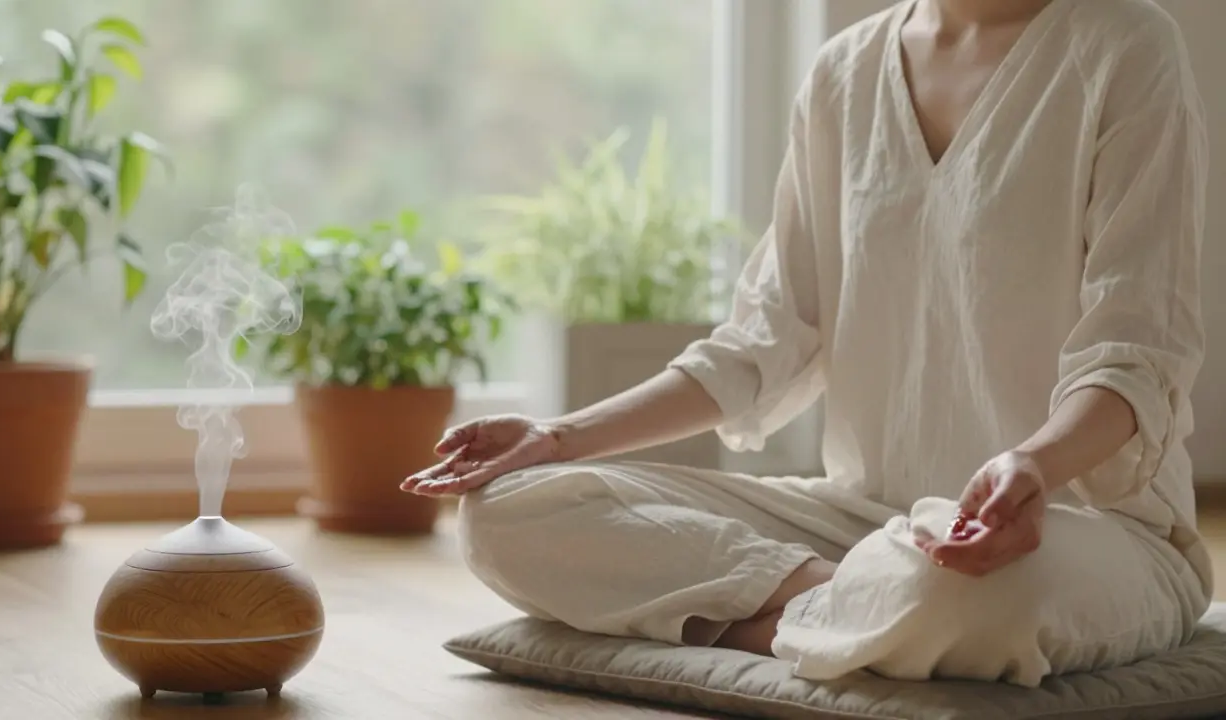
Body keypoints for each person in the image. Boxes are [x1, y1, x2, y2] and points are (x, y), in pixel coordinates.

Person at [402, 0, 1214, 687]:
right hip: (861, 525)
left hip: (1084, 527)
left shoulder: (1127, 46)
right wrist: (554, 437)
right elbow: (761, 343)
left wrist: (1033, 464)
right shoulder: (844, 71)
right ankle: (847, 610)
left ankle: (813, 619)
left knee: (965, 601)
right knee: (507, 512)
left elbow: (1134, 356)